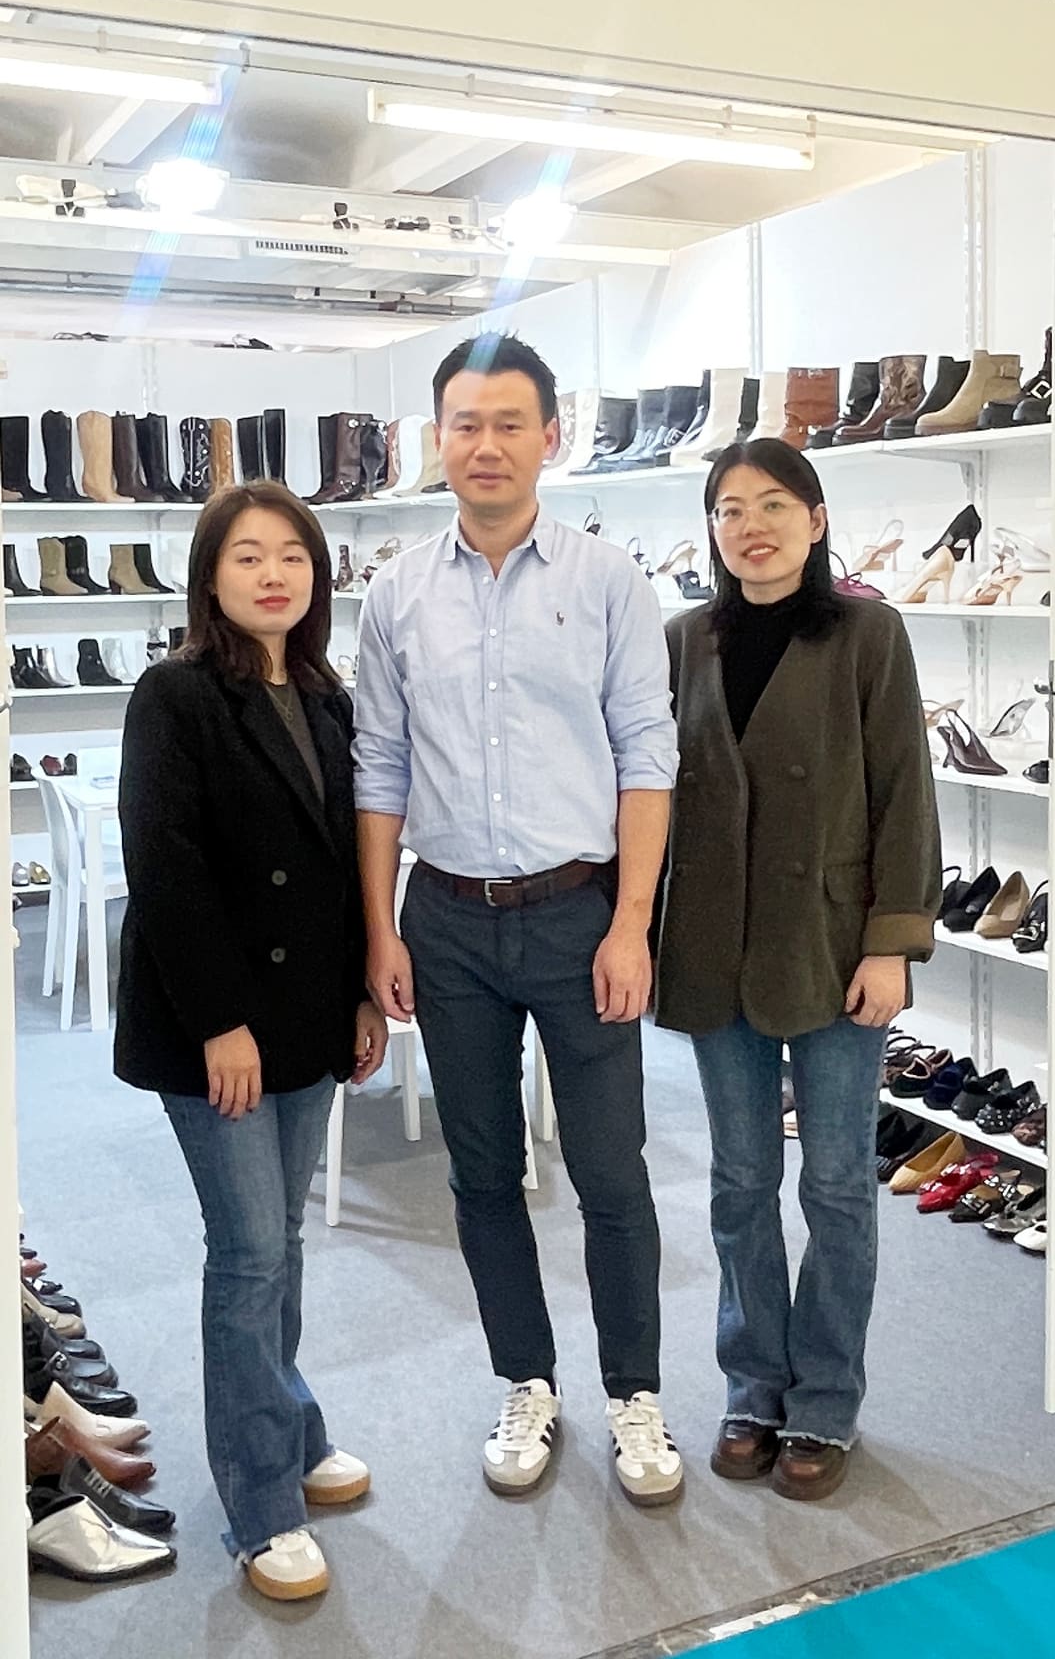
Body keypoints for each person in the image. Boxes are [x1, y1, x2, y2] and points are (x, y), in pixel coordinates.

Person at [354, 333, 683, 1507]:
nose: (485, 444)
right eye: (465, 423)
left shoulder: (608, 580)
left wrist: (632, 921)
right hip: (445, 922)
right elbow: (380, 766)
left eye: (508, 423)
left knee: (611, 1170)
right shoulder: (395, 593)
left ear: (551, 437)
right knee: (484, 1172)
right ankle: (526, 1379)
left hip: (579, 913)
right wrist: (381, 927)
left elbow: (648, 753)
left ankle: (635, 1391)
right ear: (437, 438)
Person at [115, 482, 388, 1602]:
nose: (273, 574)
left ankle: (290, 1422)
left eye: (292, 555)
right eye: (247, 556)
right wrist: (221, 1021)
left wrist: (362, 995)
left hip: (309, 1015)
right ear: (210, 575)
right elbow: (163, 866)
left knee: (280, 1237)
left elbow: (343, 868)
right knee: (246, 1255)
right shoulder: (174, 693)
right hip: (213, 1024)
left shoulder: (325, 695)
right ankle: (262, 1500)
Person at [657, 438, 940, 1500]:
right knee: (739, 1183)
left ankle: (825, 1396)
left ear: (816, 520)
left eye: (774, 504)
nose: (751, 526)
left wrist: (891, 941)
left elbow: (904, 789)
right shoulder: (684, 640)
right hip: (713, 948)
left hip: (830, 947)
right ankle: (752, 1384)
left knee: (834, 1184)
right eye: (729, 508)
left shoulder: (868, 633)